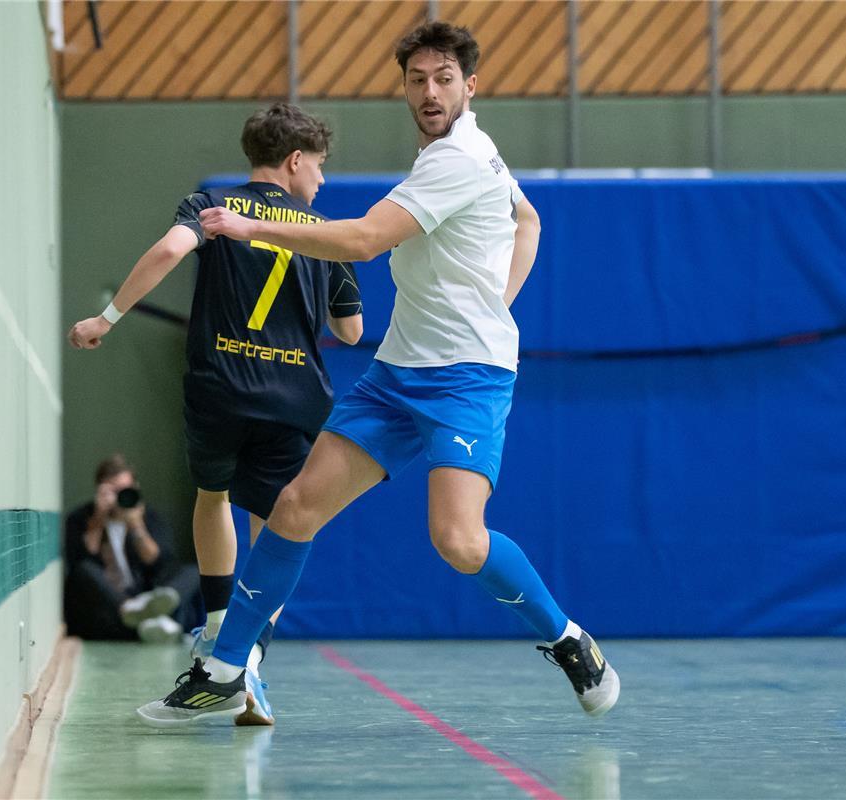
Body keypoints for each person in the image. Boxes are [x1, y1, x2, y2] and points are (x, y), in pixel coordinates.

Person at [136, 20, 619, 728]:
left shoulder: (461, 158)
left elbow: (361, 241)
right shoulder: (454, 158)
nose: (429, 91)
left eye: (443, 79)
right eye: (417, 79)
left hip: (465, 380)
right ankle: (224, 669)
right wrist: (497, 298)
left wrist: (252, 227)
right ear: (404, 87)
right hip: (397, 373)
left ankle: (566, 639)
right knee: (296, 507)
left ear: (469, 85)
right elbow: (528, 220)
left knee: (457, 540)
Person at [68, 104, 363, 726]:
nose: (323, 182)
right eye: (320, 167)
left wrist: (107, 319)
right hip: (295, 396)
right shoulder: (323, 232)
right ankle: (247, 657)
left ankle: (221, 631)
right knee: (279, 523)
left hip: (220, 386)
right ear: (294, 161)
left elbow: (170, 250)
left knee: (213, 495)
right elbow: (352, 328)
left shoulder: (211, 205)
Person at [64, 455, 201, 643]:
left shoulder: (149, 517)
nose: (120, 496)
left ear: (135, 488)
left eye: (125, 490)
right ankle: (140, 616)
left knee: (192, 571)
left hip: (147, 595)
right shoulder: (81, 518)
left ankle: (149, 617)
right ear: (99, 490)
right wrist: (98, 519)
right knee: (84, 570)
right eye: (113, 491)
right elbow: (80, 561)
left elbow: (162, 564)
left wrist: (137, 526)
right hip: (110, 607)